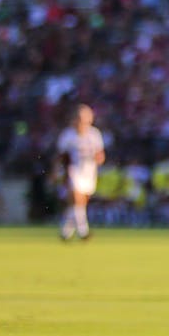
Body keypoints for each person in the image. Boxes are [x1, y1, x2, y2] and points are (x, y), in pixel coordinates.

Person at [55, 103, 105, 241]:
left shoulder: (94, 134)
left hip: (89, 172)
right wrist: (58, 172)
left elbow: (101, 156)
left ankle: (66, 231)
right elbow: (61, 156)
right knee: (77, 199)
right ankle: (84, 231)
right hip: (73, 170)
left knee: (80, 204)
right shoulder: (68, 135)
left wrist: (96, 158)